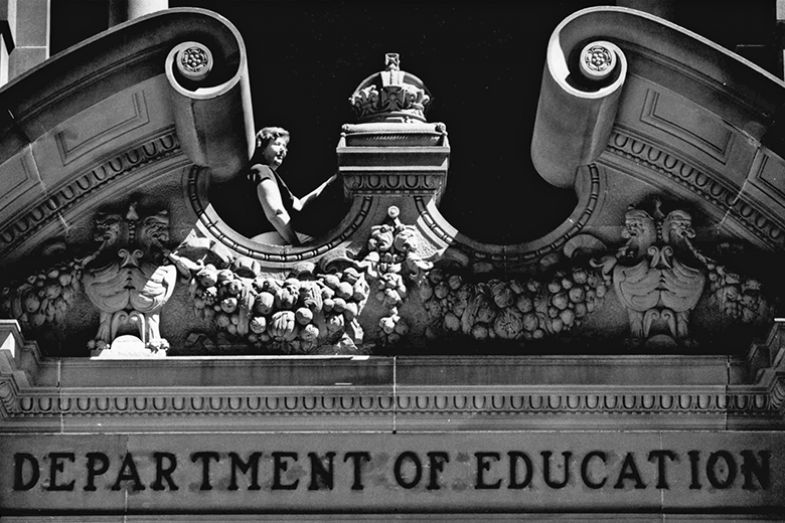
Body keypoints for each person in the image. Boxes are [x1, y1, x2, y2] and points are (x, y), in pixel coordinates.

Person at [247, 127, 336, 245]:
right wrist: (296, 246)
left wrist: (329, 182)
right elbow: (275, 213)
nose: (283, 150)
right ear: (262, 148)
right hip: (269, 240)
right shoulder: (262, 170)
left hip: (266, 240)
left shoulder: (268, 174)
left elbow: (298, 205)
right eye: (278, 144)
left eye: (284, 146)